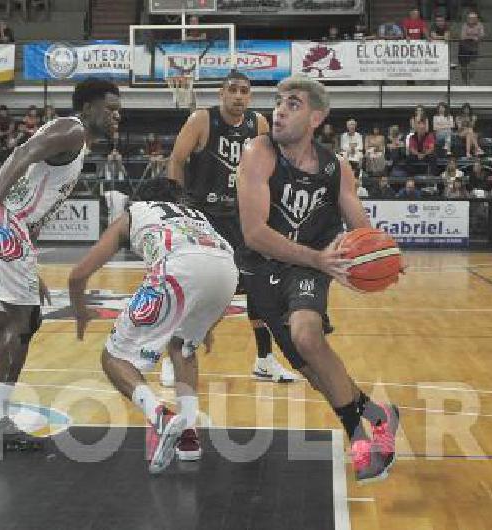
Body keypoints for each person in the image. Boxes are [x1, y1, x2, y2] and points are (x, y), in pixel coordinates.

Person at [0, 79, 122, 453]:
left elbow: (34, 204)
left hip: (4, 224)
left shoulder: (77, 142)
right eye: (110, 108)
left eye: (119, 109)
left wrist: (29, 267)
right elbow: (26, 152)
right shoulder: (71, 129)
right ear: (87, 109)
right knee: (25, 321)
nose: (118, 115)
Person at [237, 74, 400, 483]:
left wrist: (386, 255)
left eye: (292, 103)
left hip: (311, 265)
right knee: (311, 369)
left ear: (316, 117)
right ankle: (378, 415)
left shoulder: (336, 168)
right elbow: (254, 233)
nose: (279, 109)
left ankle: (359, 440)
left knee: (308, 338)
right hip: (264, 266)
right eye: (277, 101)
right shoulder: (258, 152)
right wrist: (318, 257)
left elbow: (362, 227)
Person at [69, 178, 238, 473]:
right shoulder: (196, 215)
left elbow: (78, 274)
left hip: (179, 266)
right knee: (183, 347)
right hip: (226, 271)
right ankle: (188, 437)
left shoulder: (134, 212)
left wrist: (81, 311)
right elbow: (210, 263)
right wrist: (207, 324)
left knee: (113, 357)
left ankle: (159, 415)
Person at [167, 70, 298, 387]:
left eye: (245, 91)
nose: (239, 96)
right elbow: (175, 160)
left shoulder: (259, 124)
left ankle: (265, 360)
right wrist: (177, 206)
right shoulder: (202, 120)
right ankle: (175, 358)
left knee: (261, 291)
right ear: (221, 93)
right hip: (204, 218)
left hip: (243, 220)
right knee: (197, 291)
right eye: (233, 90)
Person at [459, 11, 485, 85]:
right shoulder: (465, 25)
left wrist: (471, 37)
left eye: (474, 18)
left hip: (474, 48)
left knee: (472, 65)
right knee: (463, 67)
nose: (472, 20)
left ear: (477, 19)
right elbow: (462, 37)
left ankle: (471, 80)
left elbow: (482, 36)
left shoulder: (480, 25)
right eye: (470, 18)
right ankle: (464, 81)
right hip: (463, 48)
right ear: (467, 19)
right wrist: (473, 37)